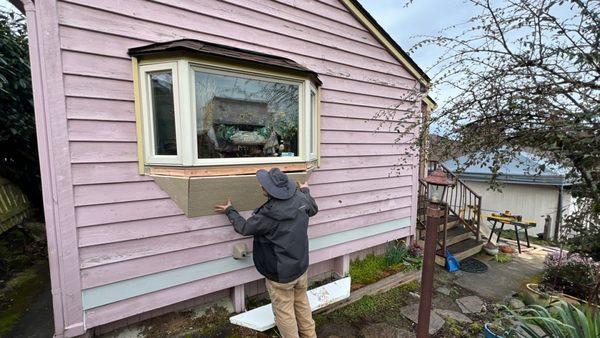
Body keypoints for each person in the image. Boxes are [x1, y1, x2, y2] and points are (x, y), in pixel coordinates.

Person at [214, 168, 318, 338]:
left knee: (285, 313)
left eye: (263, 185)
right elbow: (313, 209)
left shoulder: (268, 214)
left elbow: (245, 227)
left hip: (280, 275)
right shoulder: (301, 197)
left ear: (269, 191)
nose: (260, 186)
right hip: (301, 266)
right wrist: (306, 189)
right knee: (301, 303)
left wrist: (229, 210)